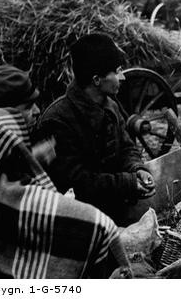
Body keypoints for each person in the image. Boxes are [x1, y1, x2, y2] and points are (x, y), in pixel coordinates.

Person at [0, 65, 132, 278]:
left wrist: (31, 159)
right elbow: (93, 225)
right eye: (28, 106)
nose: (37, 111)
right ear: (4, 115)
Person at [38, 34, 155, 225]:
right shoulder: (58, 120)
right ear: (97, 80)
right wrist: (127, 183)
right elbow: (77, 182)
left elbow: (126, 147)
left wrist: (137, 168)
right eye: (116, 72)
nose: (122, 77)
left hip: (115, 212)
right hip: (80, 221)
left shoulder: (111, 106)